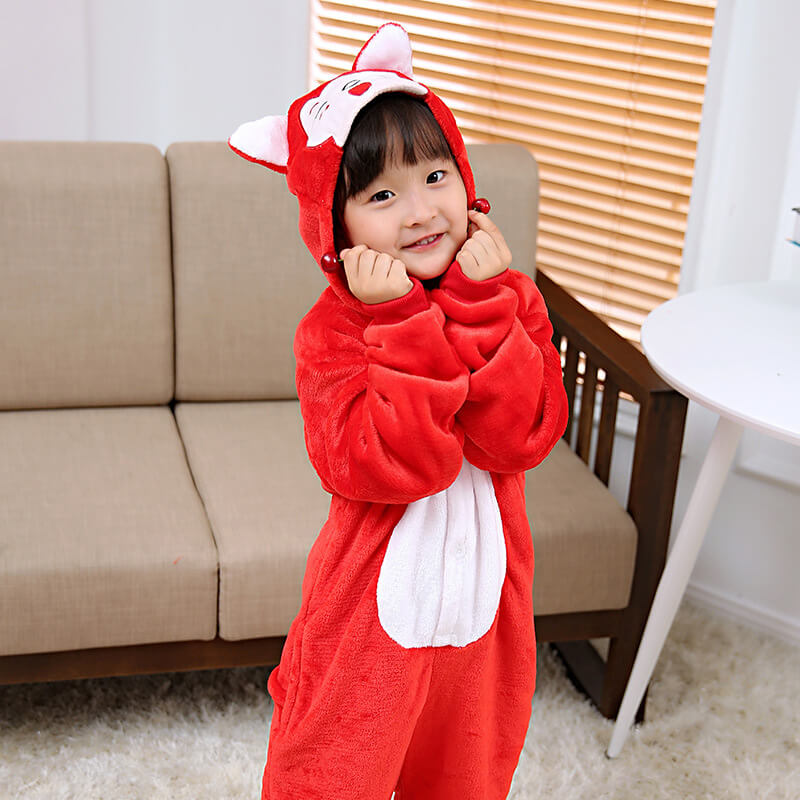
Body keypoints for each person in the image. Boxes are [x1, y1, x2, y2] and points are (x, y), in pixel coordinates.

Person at [229, 22, 569, 800]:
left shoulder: (509, 298)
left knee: (467, 771)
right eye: (382, 195)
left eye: (436, 176)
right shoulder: (333, 333)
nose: (420, 212)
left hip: (487, 609)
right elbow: (397, 467)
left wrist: (484, 306)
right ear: (336, 226)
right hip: (366, 617)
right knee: (332, 766)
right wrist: (405, 324)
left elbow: (519, 439)